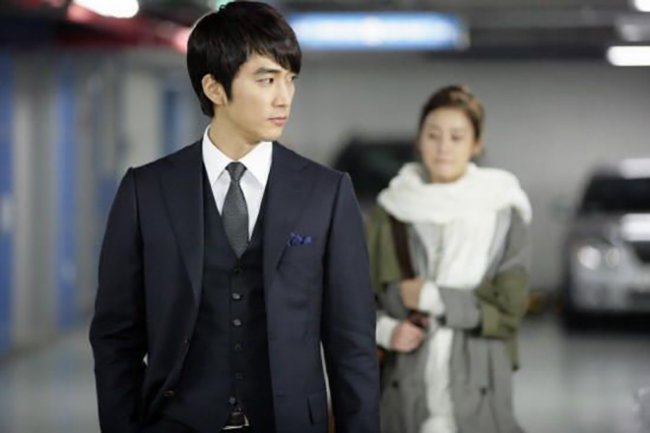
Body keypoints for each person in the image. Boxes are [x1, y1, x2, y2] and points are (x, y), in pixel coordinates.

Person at [89, 3, 380, 433]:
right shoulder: (146, 191)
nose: (284, 97)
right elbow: (116, 337)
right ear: (214, 88)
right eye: (266, 80)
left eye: (290, 79)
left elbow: (352, 344)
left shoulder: (326, 193)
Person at [366, 85, 531, 433]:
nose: (443, 147)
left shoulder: (503, 209)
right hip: (405, 386)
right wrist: (387, 330)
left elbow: (510, 309)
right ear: (419, 140)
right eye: (433, 135)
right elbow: (357, 299)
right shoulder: (390, 210)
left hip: (480, 388)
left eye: (457, 137)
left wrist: (432, 297)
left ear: (476, 143)